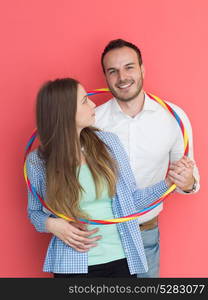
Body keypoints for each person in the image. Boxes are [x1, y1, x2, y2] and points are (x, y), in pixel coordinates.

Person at [26, 78, 193, 278]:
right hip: (72, 264)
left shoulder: (109, 144)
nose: (93, 104)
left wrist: (169, 181)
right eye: (84, 101)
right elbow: (34, 212)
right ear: (65, 112)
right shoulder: (38, 161)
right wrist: (52, 225)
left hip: (122, 259)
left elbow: (132, 201)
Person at [95, 39, 200, 278]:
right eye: (113, 71)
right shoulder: (92, 121)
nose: (122, 77)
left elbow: (192, 180)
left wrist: (187, 182)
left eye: (129, 67)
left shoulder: (174, 118)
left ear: (143, 69)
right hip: (100, 236)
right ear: (105, 77)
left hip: (145, 234)